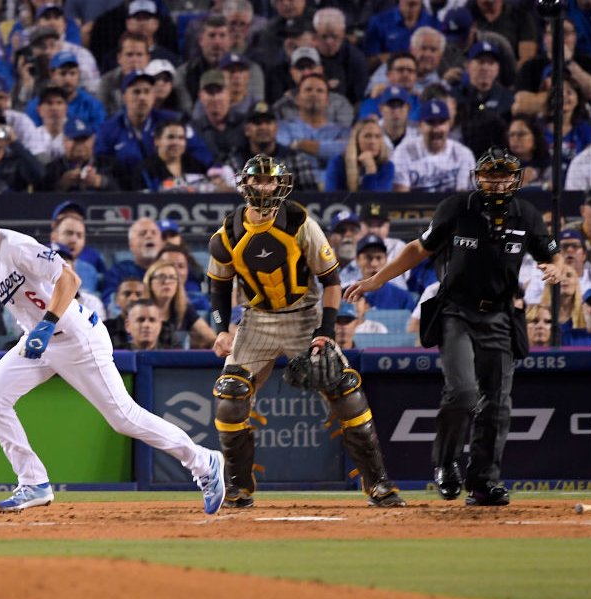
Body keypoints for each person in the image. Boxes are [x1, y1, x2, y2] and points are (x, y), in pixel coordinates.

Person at [0, 187, 225, 514]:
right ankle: (34, 482)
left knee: (124, 417)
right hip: (39, 342)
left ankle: (202, 461)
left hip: (76, 337)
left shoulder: (17, 246)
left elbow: (70, 279)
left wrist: (47, 323)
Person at [345, 147, 562, 507]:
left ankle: (483, 482)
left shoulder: (527, 213)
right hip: (456, 311)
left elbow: (550, 252)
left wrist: (555, 267)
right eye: (490, 175)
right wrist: (376, 280)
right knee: (462, 392)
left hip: (500, 315)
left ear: (516, 178)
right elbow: (419, 248)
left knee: (498, 402)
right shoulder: (457, 208)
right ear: (478, 177)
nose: (497, 182)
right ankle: (445, 463)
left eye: (504, 174)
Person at [208, 154, 404, 509]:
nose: (265, 187)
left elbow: (331, 280)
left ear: (280, 185)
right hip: (257, 319)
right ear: (246, 185)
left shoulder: (299, 221)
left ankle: (379, 483)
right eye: (259, 180)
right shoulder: (226, 235)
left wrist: (326, 330)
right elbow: (218, 286)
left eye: (270, 181)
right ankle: (237, 486)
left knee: (345, 389)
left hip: (304, 315)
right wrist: (222, 330)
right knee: (230, 396)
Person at [143, 258, 216, 349]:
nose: (167, 282)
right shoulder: (139, 309)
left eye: (172, 278)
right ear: (150, 283)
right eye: (161, 277)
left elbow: (212, 339)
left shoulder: (184, 310)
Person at [324, 119, 394, 191]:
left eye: (377, 136)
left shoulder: (387, 166)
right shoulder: (338, 163)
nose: (373, 141)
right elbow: (332, 198)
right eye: (367, 136)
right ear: (356, 139)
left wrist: (370, 170)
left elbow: (378, 200)